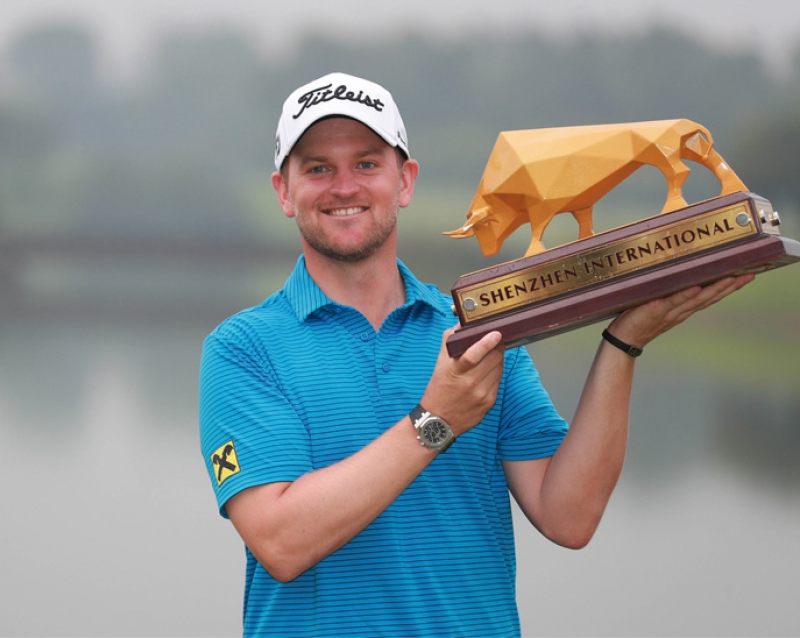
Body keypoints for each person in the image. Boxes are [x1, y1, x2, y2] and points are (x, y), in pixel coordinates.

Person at [199, 72, 753, 637]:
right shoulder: (242, 350)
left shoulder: (477, 331)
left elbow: (569, 516)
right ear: (284, 192)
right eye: (318, 168)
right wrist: (435, 422)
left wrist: (623, 343)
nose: (345, 186)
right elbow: (281, 542)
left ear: (405, 181)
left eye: (367, 163)